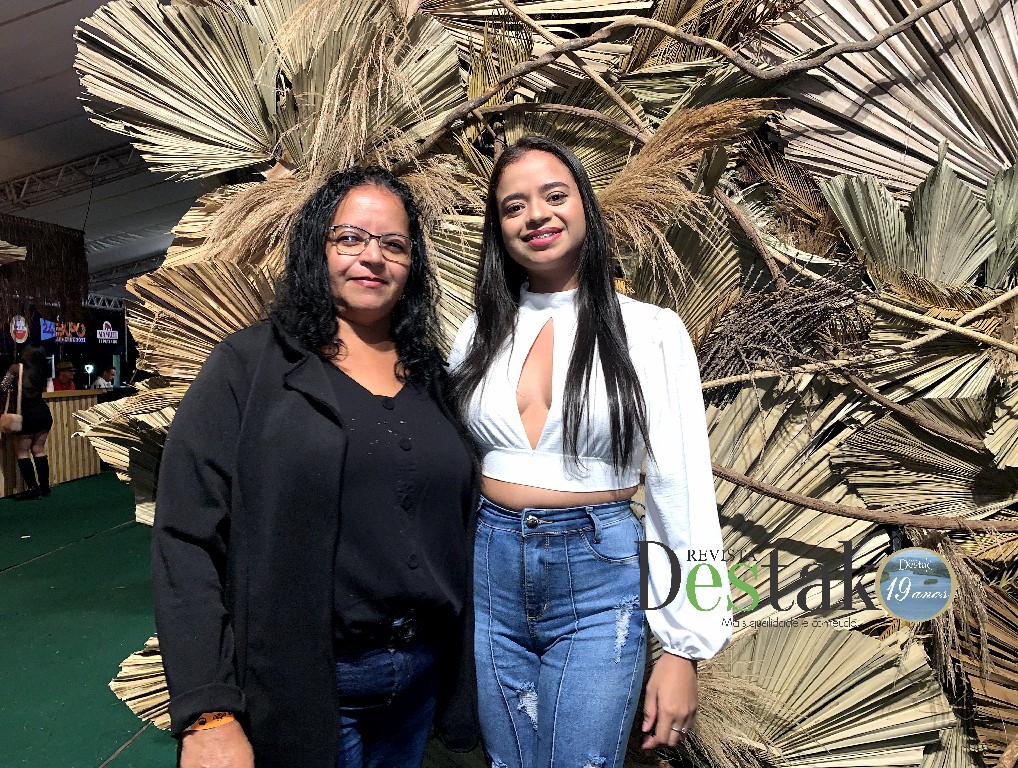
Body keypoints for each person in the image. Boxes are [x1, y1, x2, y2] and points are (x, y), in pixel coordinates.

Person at [151, 166, 478, 768]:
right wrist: (207, 711)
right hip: (307, 685)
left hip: (418, 678)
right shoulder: (249, 367)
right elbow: (185, 538)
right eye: (350, 237)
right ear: (315, 250)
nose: (372, 257)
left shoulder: (434, 377)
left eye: (394, 244)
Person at [448, 136, 731, 768]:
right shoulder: (475, 333)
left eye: (554, 195)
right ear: (499, 229)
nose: (536, 215)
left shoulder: (652, 331)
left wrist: (683, 648)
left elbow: (683, 489)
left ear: (584, 206)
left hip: (599, 578)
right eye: (513, 206)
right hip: (490, 574)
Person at [1, 345, 54, 499]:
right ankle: (45, 487)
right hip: (43, 413)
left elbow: (2, 387)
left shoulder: (16, 368)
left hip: (26, 414)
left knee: (22, 452)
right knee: (39, 449)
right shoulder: (42, 370)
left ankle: (33, 488)